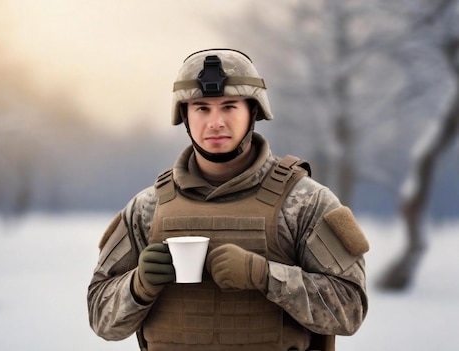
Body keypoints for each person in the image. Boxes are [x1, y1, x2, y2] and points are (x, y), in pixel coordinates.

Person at [87, 48, 369, 351]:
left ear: (253, 111)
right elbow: (101, 318)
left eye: (229, 107)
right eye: (202, 108)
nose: (215, 122)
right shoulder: (148, 207)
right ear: (185, 115)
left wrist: (265, 276)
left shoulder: (304, 201)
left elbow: (350, 309)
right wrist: (138, 285)